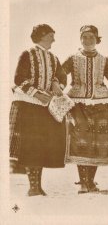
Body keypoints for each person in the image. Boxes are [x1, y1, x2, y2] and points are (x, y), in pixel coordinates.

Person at [9, 24, 66, 196]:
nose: (54, 39)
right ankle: (33, 187)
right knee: (30, 145)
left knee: (40, 146)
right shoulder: (27, 54)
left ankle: (37, 187)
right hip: (27, 105)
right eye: (51, 35)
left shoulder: (54, 58)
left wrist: (57, 82)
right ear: (41, 36)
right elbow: (19, 78)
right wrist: (36, 94)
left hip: (45, 107)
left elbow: (62, 76)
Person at [62, 25, 108, 194]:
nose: (87, 40)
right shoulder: (73, 58)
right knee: (81, 142)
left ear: (97, 39)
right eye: (84, 37)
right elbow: (60, 75)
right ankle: (84, 183)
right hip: (78, 104)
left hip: (102, 104)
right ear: (80, 39)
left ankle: (91, 181)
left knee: (97, 144)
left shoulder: (104, 59)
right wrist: (55, 86)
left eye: (91, 37)